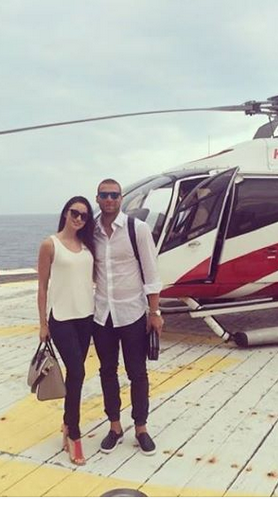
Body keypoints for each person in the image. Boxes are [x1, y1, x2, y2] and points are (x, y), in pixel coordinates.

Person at [93, 178, 164, 455]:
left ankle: (141, 427)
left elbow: (151, 273)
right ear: (97, 199)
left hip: (132, 312)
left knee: (137, 373)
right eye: (104, 195)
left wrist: (154, 312)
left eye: (114, 195)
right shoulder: (92, 232)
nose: (109, 199)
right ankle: (114, 426)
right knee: (107, 371)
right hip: (102, 314)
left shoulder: (138, 229)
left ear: (121, 198)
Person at [37, 196, 95, 465]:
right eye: (75, 213)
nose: (79, 218)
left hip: (86, 317)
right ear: (65, 213)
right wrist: (43, 324)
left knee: (75, 375)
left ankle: (66, 422)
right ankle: (74, 434)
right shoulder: (50, 245)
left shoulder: (88, 246)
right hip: (61, 319)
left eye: (84, 215)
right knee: (78, 372)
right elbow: (42, 287)